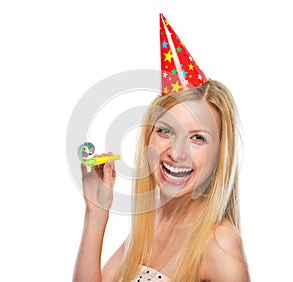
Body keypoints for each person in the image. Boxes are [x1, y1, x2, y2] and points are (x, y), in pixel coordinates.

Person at [73, 14, 250, 282]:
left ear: (220, 155)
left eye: (197, 138)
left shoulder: (220, 245)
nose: (177, 152)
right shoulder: (151, 223)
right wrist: (96, 213)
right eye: (165, 131)